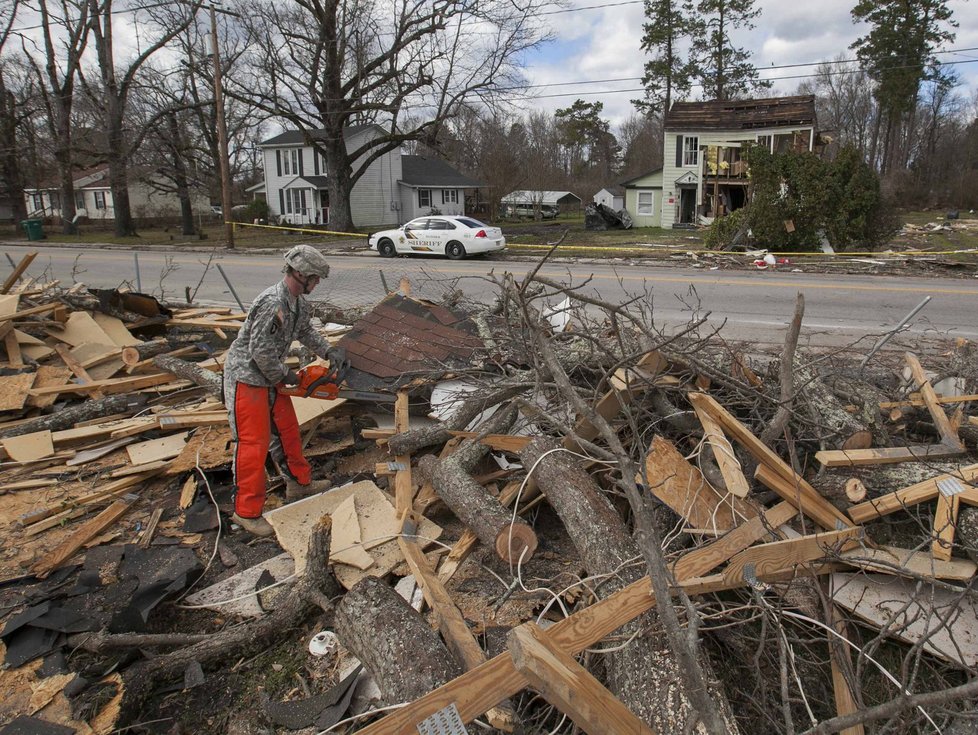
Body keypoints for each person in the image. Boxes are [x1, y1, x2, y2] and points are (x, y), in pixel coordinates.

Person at [223, 244, 345, 537]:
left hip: (270, 376)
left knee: (287, 430)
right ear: (300, 273)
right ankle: (246, 512)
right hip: (248, 378)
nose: (316, 284)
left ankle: (298, 483)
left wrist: (328, 350)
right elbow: (260, 351)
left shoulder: (297, 302)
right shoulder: (272, 303)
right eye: (315, 278)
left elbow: (304, 331)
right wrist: (285, 374)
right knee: (253, 444)